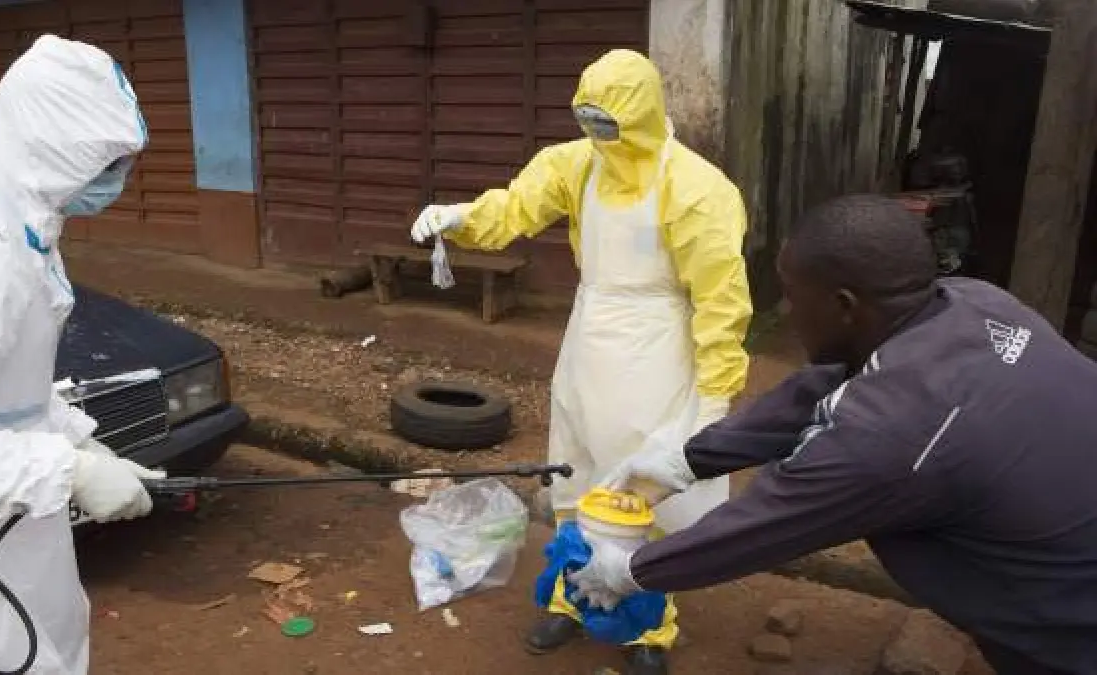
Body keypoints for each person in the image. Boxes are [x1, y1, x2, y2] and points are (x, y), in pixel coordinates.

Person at [575, 194, 1097, 674]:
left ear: (845, 305)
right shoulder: (975, 303)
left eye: (792, 297)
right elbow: (822, 387)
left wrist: (632, 572)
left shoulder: (892, 437)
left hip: (1070, 624)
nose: (788, 313)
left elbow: (766, 524)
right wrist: (688, 458)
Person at [410, 48, 751, 673]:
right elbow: (516, 207)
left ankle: (649, 627)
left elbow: (720, 299)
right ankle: (572, 598)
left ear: (640, 114)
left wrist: (716, 394)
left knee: (640, 490)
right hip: (589, 335)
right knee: (576, 475)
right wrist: (460, 219)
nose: (597, 133)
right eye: (587, 118)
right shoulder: (574, 165)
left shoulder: (698, 188)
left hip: (656, 345)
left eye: (607, 121)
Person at [0, 35, 161, 674]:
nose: (119, 179)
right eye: (106, 162)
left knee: (45, 642)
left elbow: (9, 385)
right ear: (54, 151)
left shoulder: (20, 229)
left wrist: (81, 443)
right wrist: (67, 474)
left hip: (3, 527)